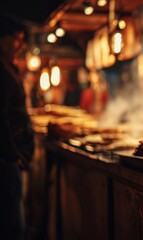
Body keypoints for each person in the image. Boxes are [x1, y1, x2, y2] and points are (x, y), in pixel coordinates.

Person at [0, 15, 35, 240]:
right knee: (13, 228)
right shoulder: (1, 73)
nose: (21, 45)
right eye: (17, 38)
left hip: (10, 161)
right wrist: (12, 156)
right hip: (5, 164)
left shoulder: (7, 67)